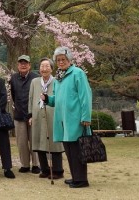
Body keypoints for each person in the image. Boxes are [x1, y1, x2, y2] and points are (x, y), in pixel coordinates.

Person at [41, 47, 92, 188]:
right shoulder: (58, 78)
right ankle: (76, 176)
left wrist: (86, 116)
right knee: (69, 150)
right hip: (62, 120)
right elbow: (56, 99)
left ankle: (81, 180)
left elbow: (85, 96)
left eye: (63, 59)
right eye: (58, 60)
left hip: (76, 119)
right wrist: (47, 99)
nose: (61, 62)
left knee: (77, 150)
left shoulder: (78, 73)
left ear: (69, 59)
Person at [28, 58, 64, 179]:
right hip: (37, 115)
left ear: (52, 68)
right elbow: (31, 98)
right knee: (38, 142)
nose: (44, 69)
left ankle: (58, 170)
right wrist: (30, 115)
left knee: (55, 143)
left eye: (47, 66)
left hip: (53, 115)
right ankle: (44, 169)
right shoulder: (35, 82)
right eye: (42, 66)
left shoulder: (57, 81)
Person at [10, 55, 40, 174]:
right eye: (21, 63)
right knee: (21, 142)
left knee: (34, 141)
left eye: (25, 63)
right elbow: (13, 95)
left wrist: (33, 113)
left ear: (29, 65)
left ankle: (36, 164)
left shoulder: (36, 77)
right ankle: (25, 164)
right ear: (18, 65)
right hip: (19, 114)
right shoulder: (13, 78)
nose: (23, 65)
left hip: (33, 114)